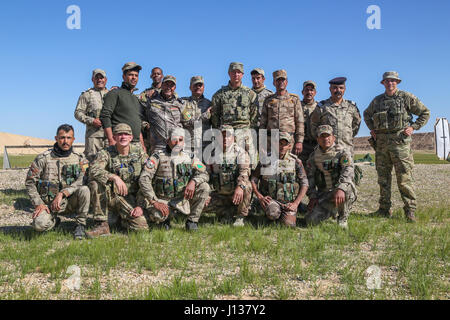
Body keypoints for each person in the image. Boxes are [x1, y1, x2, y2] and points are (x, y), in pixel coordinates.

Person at [363, 71, 430, 221]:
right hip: (381, 146)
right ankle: (384, 209)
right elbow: (367, 114)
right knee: (383, 179)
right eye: (387, 81)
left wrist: (413, 127)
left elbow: (425, 113)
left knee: (405, 178)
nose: (390, 83)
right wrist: (372, 128)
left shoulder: (406, 97)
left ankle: (410, 210)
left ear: (397, 83)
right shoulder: (377, 101)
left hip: (400, 145)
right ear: (383, 83)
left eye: (393, 81)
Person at [25, 124, 90, 239]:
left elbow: (83, 179)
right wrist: (38, 203)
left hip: (70, 202)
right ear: (56, 138)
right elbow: (30, 182)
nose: (65, 141)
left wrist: (63, 193)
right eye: (62, 137)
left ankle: (80, 225)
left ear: (73, 139)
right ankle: (54, 221)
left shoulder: (80, 159)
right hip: (49, 204)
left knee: (85, 189)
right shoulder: (43, 158)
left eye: (69, 138)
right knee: (39, 225)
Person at [139, 127, 211, 231]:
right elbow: (144, 179)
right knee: (157, 216)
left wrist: (193, 181)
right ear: (167, 141)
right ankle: (165, 219)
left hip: (182, 199)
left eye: (181, 140)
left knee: (204, 187)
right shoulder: (157, 157)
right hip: (162, 200)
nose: (177, 143)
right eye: (174, 140)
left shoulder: (190, 157)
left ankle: (192, 221)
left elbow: (204, 173)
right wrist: (154, 201)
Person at [87, 123, 150, 237]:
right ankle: (101, 224)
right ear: (114, 137)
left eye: (126, 134)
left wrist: (140, 205)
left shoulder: (139, 152)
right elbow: (93, 169)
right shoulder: (106, 153)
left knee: (141, 227)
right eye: (119, 134)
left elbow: (147, 178)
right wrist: (114, 177)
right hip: (112, 198)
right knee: (95, 183)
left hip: (133, 197)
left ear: (131, 137)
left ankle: (121, 220)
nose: (123, 137)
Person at [251, 132, 308, 227]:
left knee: (289, 225)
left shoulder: (296, 162)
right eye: (279, 143)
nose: (282, 147)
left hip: (289, 202)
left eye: (285, 144)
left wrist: (295, 203)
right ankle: (270, 212)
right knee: (272, 214)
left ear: (289, 146)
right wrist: (260, 196)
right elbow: (253, 180)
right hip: (271, 201)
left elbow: (305, 184)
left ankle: (283, 215)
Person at [305, 125, 356, 229]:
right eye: (322, 136)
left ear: (333, 138)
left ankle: (342, 217)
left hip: (342, 191)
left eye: (328, 136)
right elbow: (309, 178)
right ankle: (331, 211)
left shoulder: (342, 152)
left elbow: (348, 170)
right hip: (324, 194)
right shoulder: (313, 157)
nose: (325, 139)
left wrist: (341, 188)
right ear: (318, 139)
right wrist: (312, 196)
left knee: (346, 188)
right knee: (310, 221)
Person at [210, 62, 259, 168]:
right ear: (229, 73)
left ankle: (247, 182)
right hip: (226, 133)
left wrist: (250, 130)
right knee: (224, 161)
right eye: (233, 72)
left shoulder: (250, 94)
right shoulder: (219, 94)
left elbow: (254, 114)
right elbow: (215, 115)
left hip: (244, 132)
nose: (236, 74)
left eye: (238, 72)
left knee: (251, 161)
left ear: (242, 74)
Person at [206, 125, 252, 226]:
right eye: (222, 136)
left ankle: (240, 217)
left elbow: (244, 173)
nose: (225, 139)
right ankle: (227, 212)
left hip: (235, 194)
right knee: (201, 202)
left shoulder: (241, 153)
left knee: (246, 186)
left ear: (233, 138)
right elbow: (207, 175)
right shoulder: (212, 154)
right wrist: (207, 193)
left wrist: (240, 187)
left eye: (228, 136)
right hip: (220, 194)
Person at [100, 62, 146, 152]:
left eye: (136, 75)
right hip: (120, 143)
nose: (134, 78)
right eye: (130, 75)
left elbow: (138, 123)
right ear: (124, 77)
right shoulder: (115, 93)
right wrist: (111, 139)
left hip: (136, 145)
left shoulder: (136, 99)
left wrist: (142, 144)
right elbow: (105, 116)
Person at [310, 77, 361, 154]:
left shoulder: (351, 107)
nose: (338, 90)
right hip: (327, 152)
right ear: (330, 89)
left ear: (345, 89)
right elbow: (313, 127)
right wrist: (323, 141)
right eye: (335, 88)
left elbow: (356, 125)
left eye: (341, 88)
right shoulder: (322, 107)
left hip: (346, 150)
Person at [259, 69, 304, 155]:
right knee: (271, 165)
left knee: (288, 165)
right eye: (278, 80)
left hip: (288, 140)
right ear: (274, 83)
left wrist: (299, 141)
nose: (280, 82)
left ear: (286, 82)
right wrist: (262, 142)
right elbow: (263, 123)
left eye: (283, 80)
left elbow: (300, 122)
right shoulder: (268, 100)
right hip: (271, 140)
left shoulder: (294, 99)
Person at [74, 69, 109, 162]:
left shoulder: (112, 94)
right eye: (96, 78)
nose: (99, 80)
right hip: (94, 137)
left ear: (106, 79)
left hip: (110, 136)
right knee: (93, 163)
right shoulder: (86, 95)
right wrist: (91, 120)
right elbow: (78, 113)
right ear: (92, 80)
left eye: (101, 77)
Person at [145, 75, 185, 154]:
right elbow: (140, 114)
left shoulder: (180, 104)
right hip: (157, 147)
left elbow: (188, 121)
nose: (168, 87)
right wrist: (145, 125)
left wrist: (206, 114)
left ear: (175, 88)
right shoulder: (151, 100)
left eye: (171, 85)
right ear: (162, 85)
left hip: (175, 146)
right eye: (166, 84)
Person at [180, 76, 212, 154]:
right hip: (189, 147)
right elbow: (187, 122)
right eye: (195, 85)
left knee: (204, 167)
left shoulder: (209, 104)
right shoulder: (183, 103)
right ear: (190, 87)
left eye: (200, 85)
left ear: (204, 87)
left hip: (205, 146)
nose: (198, 87)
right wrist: (205, 116)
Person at [299, 80, 319, 164]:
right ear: (302, 92)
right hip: (301, 145)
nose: (309, 92)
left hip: (316, 145)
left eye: (311, 90)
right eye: (306, 90)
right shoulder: (297, 106)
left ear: (315, 92)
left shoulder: (320, 107)